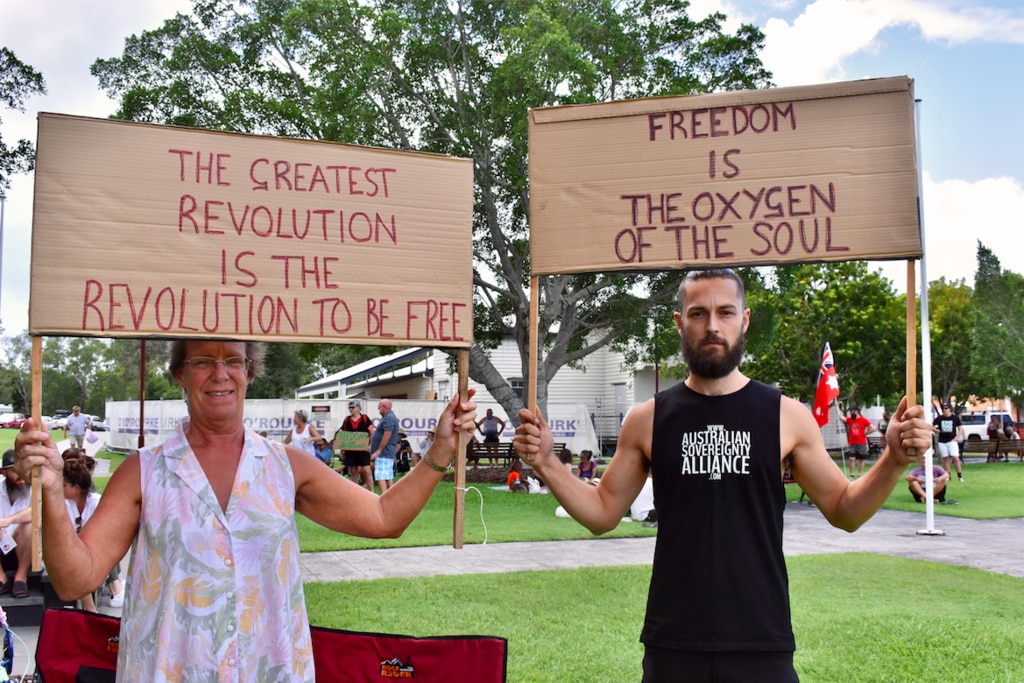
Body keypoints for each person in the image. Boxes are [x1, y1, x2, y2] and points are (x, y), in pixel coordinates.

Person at [513, 268, 932, 682]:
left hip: (760, 641)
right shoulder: (648, 420)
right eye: (698, 314)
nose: (712, 325)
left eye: (725, 312)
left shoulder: (786, 416)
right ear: (679, 323)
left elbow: (845, 510)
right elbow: (603, 511)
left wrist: (893, 459)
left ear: (744, 319)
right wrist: (548, 463)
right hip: (674, 642)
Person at [14, 339, 477, 682]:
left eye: (233, 360)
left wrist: (439, 450)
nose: (220, 374)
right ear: (179, 373)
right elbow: (78, 579)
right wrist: (52, 493)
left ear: (249, 372)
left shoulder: (284, 466)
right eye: (203, 362)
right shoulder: (144, 471)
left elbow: (384, 519)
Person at [62, 455, 125, 610]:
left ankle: (112, 590)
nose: (60, 489)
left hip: (94, 551)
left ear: (75, 488)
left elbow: (109, 535)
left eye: (64, 485)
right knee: (77, 562)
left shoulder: (97, 502)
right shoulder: (63, 504)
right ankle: (92, 608)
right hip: (73, 554)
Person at [0, 450, 31, 599]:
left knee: (30, 527)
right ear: (4, 473)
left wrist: (10, 520)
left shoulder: (34, 490)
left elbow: (37, 512)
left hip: (25, 550)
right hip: (1, 550)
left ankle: (21, 578)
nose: (21, 476)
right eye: (15, 471)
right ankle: (2, 579)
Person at [338, 401, 374, 490]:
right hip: (350, 450)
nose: (351, 409)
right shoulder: (347, 420)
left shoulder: (365, 418)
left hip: (363, 449)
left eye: (353, 407)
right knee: (353, 471)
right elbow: (343, 435)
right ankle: (356, 491)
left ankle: (372, 491)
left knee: (367, 470)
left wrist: (371, 445)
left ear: (358, 408)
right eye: (349, 408)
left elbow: (372, 432)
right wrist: (342, 451)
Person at [370, 398, 399, 493]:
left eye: (379, 407)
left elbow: (387, 434)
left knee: (380, 475)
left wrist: (379, 450)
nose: (378, 409)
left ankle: (384, 497)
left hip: (384, 452)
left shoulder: (389, 417)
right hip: (386, 452)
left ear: (384, 407)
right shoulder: (388, 417)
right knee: (387, 476)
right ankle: (391, 496)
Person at [932, 403, 964, 481]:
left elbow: (960, 429)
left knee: (955, 457)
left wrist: (956, 438)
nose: (944, 410)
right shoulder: (939, 418)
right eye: (943, 408)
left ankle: (960, 475)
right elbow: (931, 426)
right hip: (942, 441)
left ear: (950, 409)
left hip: (952, 441)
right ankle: (948, 475)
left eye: (946, 408)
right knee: (945, 458)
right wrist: (937, 430)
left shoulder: (954, 418)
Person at [842, 406, 876, 478]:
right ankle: (852, 474)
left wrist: (866, 433)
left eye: (852, 411)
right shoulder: (850, 420)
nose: (850, 413)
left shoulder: (863, 420)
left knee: (861, 459)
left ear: (856, 411)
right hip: (852, 443)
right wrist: (837, 407)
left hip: (861, 443)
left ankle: (860, 474)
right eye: (850, 411)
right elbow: (842, 418)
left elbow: (873, 428)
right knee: (851, 458)